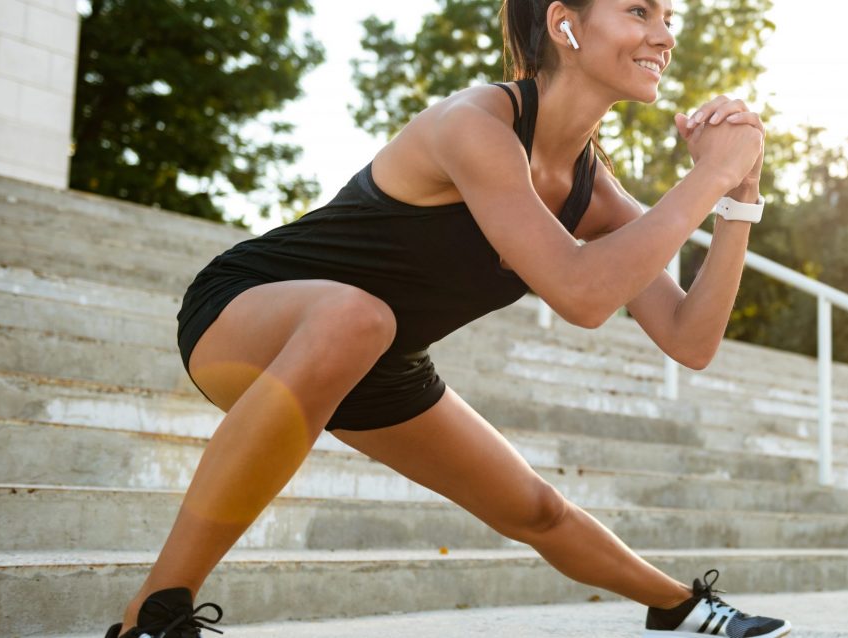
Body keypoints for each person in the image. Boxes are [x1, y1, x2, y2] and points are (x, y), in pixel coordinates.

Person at [106, 1, 790, 636]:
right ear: (565, 23)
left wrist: (738, 201)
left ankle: (684, 608)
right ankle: (155, 613)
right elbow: (581, 296)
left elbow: (689, 339)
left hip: (377, 356)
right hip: (250, 308)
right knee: (357, 316)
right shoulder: (475, 125)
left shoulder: (590, 190)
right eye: (638, 10)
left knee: (536, 508)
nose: (664, 35)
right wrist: (706, 178)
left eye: (669, 16)